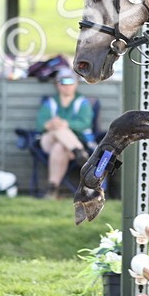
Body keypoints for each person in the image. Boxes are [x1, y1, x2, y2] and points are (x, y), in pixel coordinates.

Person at [36, 67, 95, 199]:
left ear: (76, 84)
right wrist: (50, 124)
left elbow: (85, 123)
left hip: (69, 143)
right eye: (63, 83)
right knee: (58, 129)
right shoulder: (50, 103)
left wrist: (66, 124)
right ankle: (80, 153)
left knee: (59, 147)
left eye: (70, 82)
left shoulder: (82, 103)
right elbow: (39, 125)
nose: (67, 86)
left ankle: (52, 189)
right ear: (57, 84)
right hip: (49, 140)